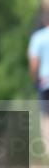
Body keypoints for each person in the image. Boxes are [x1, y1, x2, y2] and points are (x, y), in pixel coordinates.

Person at [29, 11, 49, 152]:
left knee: (46, 117)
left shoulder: (39, 37)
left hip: (45, 81)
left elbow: (34, 62)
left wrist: (34, 78)